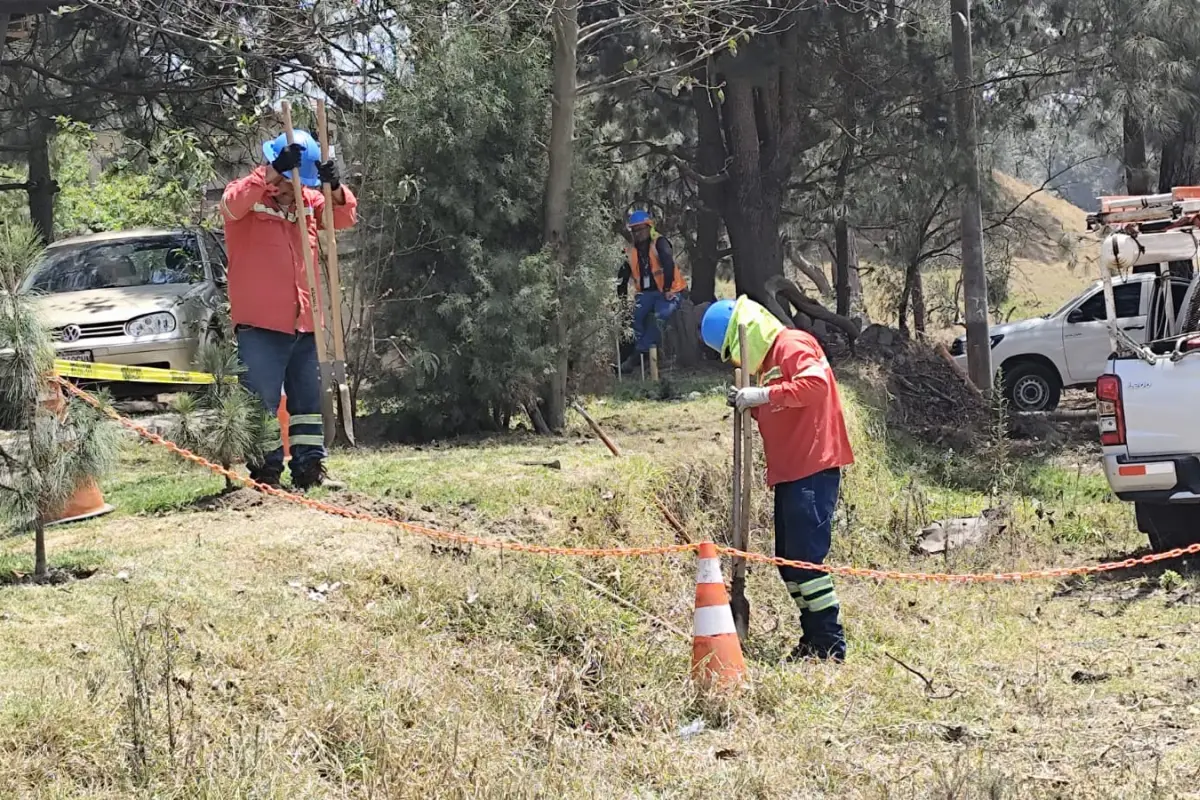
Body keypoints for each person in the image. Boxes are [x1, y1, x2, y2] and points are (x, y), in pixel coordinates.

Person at [698, 296, 855, 662]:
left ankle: (829, 644)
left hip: (814, 466)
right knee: (787, 561)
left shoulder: (791, 344)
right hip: (788, 471)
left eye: (731, 351)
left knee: (805, 560)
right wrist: (751, 404)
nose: (736, 361)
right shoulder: (766, 364)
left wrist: (763, 394)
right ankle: (813, 638)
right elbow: (779, 412)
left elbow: (815, 385)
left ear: (744, 334)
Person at [220, 129, 358, 490]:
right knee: (262, 402)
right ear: (274, 166)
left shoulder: (308, 201)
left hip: (305, 320)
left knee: (308, 403)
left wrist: (336, 188)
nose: (291, 189)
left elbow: (343, 218)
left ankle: (310, 471)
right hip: (261, 323)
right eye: (287, 179)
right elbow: (231, 204)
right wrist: (269, 174)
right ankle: (265, 477)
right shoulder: (249, 195)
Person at [617, 210, 687, 374]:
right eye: (634, 230)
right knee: (635, 317)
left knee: (659, 317)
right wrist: (621, 302)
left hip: (669, 291)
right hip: (647, 294)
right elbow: (621, 279)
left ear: (649, 228)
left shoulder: (660, 243)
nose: (638, 233)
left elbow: (668, 264)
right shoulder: (631, 252)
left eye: (640, 229)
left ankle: (637, 355)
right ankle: (642, 355)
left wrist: (668, 289)